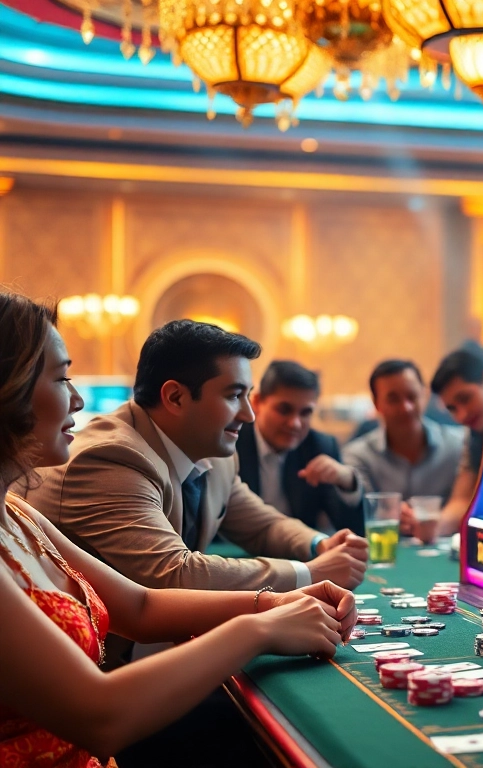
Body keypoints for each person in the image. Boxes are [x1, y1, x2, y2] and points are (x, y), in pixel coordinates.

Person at [0, 293, 356, 766]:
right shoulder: (111, 456)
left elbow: (140, 606)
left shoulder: (19, 515)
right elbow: (102, 715)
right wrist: (263, 624)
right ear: (10, 389)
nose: (80, 398)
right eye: (63, 376)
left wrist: (278, 600)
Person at [25, 320, 368, 598]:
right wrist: (309, 573)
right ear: (175, 397)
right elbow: (175, 574)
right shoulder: (111, 457)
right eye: (235, 396)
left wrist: (318, 543)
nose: (249, 415)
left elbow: (262, 524)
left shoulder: (215, 453)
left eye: (248, 396)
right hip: (100, 664)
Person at [237, 361, 365, 535]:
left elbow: (352, 530)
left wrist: (347, 481)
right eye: (284, 410)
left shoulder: (320, 446)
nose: (295, 423)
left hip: (298, 555)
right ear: (257, 403)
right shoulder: (231, 442)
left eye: (305, 413)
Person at [343, 360, 466, 525]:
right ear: (376, 404)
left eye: (411, 396)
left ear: (424, 395)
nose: (405, 407)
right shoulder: (358, 456)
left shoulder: (458, 445)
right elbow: (363, 512)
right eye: (393, 399)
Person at [425, 348, 483, 539]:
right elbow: (462, 500)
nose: (462, 415)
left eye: (465, 398)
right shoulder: (473, 436)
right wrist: (433, 526)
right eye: (452, 408)